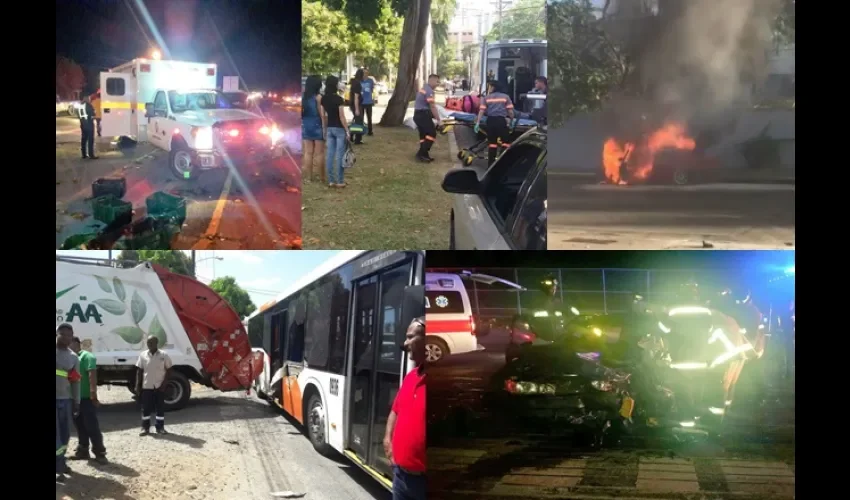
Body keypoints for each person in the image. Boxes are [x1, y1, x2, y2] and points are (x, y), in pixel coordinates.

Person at [383, 318, 426, 500]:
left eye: (410, 337)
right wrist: (387, 440)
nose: (405, 343)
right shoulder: (411, 377)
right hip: (400, 477)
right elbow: (395, 410)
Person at [69, 336, 107, 463]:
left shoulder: (87, 356)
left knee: (91, 426)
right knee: (79, 426)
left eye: (70, 343)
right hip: (75, 399)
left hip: (86, 399)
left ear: (76, 343)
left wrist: (93, 394)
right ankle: (83, 450)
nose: (68, 346)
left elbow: (92, 374)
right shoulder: (71, 358)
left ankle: (100, 452)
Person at [56, 324, 81, 482]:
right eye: (63, 334)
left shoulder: (73, 357)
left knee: (65, 434)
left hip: (65, 400)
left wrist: (76, 401)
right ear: (57, 334)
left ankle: (60, 461)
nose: (67, 338)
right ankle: (59, 466)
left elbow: (75, 382)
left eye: (69, 335)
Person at [135, 336, 173, 435]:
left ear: (157, 343)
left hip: (159, 386)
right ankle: (145, 428)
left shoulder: (164, 355)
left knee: (160, 408)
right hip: (147, 386)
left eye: (151, 342)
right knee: (146, 408)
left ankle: (160, 427)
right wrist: (137, 385)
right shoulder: (143, 355)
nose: (149, 345)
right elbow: (139, 371)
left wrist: (164, 385)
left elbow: (169, 370)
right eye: (148, 343)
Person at [475, 80, 516, 166]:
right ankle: (502, 161)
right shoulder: (505, 97)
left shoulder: (486, 98)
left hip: (490, 121)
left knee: (492, 143)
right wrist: (512, 120)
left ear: (494, 87)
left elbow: (481, 111)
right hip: (501, 121)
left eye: (490, 86)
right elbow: (510, 111)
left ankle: (491, 164)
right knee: (506, 142)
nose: (489, 88)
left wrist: (478, 123)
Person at [322, 75, 351, 188]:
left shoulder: (324, 99)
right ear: (335, 85)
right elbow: (342, 117)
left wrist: (324, 129)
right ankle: (340, 181)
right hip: (339, 129)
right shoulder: (339, 99)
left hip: (329, 128)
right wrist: (347, 130)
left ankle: (331, 180)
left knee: (329, 155)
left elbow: (324, 116)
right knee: (339, 155)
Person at [301, 75, 326, 183]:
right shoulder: (318, 97)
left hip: (306, 125)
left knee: (308, 153)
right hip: (317, 125)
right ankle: (322, 177)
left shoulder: (303, 97)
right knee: (319, 153)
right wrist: (325, 127)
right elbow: (322, 114)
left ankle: (309, 177)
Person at [413, 74, 442, 163]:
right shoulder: (429, 91)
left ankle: (424, 155)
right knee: (432, 134)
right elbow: (432, 106)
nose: (438, 84)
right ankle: (421, 153)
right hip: (423, 115)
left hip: (418, 115)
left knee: (424, 135)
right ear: (431, 80)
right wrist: (439, 120)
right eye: (437, 82)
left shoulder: (424, 88)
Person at [78, 95, 97, 159]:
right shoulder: (89, 105)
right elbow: (93, 114)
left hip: (83, 125)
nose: (90, 99)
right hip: (89, 125)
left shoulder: (80, 106)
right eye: (89, 98)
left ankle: (84, 154)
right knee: (90, 140)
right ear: (87, 99)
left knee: (83, 140)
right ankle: (91, 155)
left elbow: (78, 115)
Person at [349, 69, 365, 145]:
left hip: (354, 105)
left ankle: (352, 136)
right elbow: (356, 97)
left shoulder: (354, 83)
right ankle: (357, 139)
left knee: (356, 121)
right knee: (359, 122)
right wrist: (357, 109)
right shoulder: (357, 84)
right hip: (357, 105)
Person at [361, 68, 375, 136]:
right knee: (361, 118)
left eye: (366, 73)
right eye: (364, 73)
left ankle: (370, 131)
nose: (365, 74)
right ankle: (361, 131)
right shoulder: (359, 81)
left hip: (368, 102)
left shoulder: (370, 81)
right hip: (361, 102)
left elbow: (372, 90)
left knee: (369, 117)